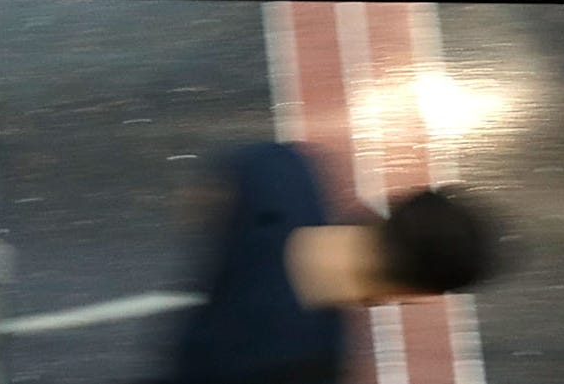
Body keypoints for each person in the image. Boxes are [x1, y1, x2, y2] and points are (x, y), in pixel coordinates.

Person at [161, 144, 493, 383]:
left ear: (393, 206)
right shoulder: (311, 365)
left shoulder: (283, 169)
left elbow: (204, 198)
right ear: (416, 292)